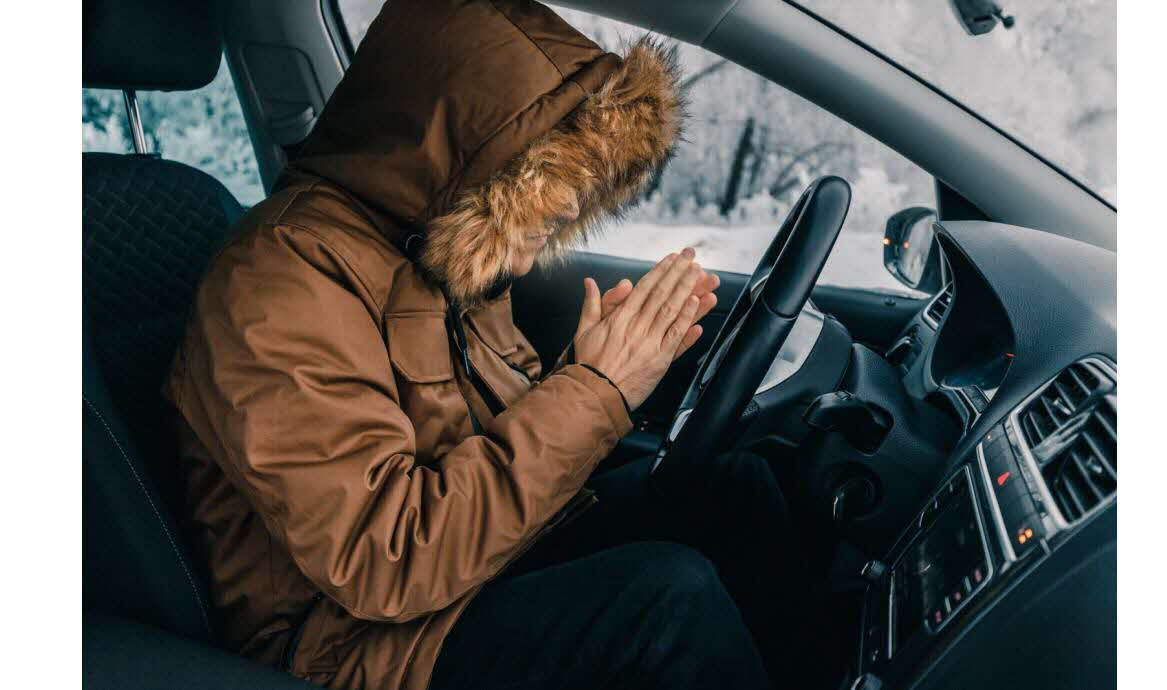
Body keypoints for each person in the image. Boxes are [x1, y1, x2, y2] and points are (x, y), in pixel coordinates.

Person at [167, 2, 812, 689]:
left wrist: (583, 373)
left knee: (733, 492)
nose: (561, 218)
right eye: (550, 185)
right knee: (664, 602)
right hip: (351, 644)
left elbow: (486, 442)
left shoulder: (439, 245)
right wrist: (595, 393)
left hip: (469, 568)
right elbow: (385, 559)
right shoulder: (279, 282)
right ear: (462, 155)